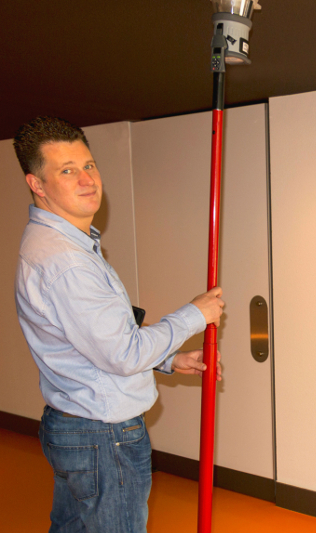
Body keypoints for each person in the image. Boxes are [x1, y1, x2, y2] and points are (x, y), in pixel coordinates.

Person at [13, 116, 225, 532]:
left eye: (88, 165)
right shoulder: (66, 262)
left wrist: (169, 359)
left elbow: (98, 340)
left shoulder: (61, 244)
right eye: (67, 171)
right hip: (102, 438)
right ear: (37, 184)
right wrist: (194, 315)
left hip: (77, 426)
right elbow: (123, 353)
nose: (87, 179)